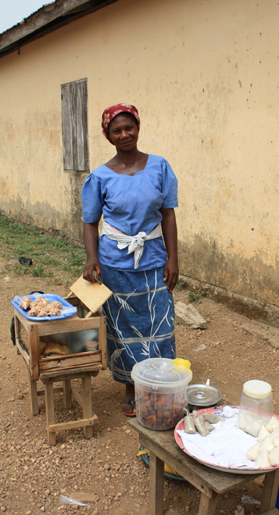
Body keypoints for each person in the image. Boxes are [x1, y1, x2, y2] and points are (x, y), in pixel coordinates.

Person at [81, 103, 179, 416]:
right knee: (122, 327)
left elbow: (168, 215)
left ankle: (160, 384)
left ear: (138, 128)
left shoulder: (160, 167)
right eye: (116, 130)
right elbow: (89, 222)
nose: (124, 134)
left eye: (129, 127)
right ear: (108, 136)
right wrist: (92, 258)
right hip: (114, 263)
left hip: (153, 258)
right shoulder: (99, 177)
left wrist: (172, 259)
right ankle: (130, 387)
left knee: (159, 324)